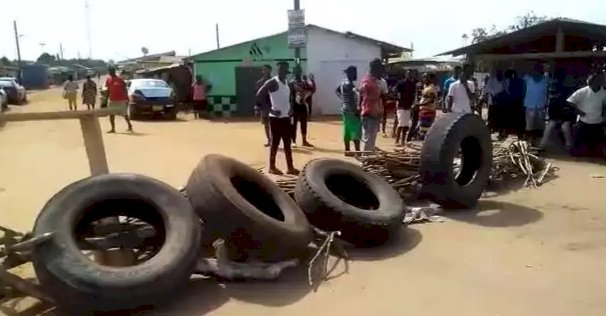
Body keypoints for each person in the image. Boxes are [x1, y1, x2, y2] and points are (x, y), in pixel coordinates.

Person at [256, 61, 299, 175]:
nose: (282, 72)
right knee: (275, 142)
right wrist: (270, 110)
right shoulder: (272, 82)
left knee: (287, 143)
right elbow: (259, 95)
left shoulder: (287, 83)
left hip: (286, 117)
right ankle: (272, 166)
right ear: (277, 70)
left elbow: (289, 98)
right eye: (280, 70)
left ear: (286, 71)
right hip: (275, 118)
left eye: (284, 70)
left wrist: (291, 109)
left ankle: (290, 167)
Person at [567, 73, 606, 157]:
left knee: (597, 146)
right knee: (576, 147)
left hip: (597, 122)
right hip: (584, 121)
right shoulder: (583, 91)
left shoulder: (603, 93)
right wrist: (578, 111)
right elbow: (570, 101)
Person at [539, 68, 575, 151]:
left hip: (565, 117)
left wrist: (563, 119)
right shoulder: (553, 97)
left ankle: (568, 145)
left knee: (565, 127)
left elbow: (569, 111)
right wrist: (556, 119)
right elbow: (552, 113)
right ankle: (542, 145)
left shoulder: (567, 94)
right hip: (555, 117)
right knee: (549, 126)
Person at [359, 58, 384, 152]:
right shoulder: (367, 80)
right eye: (379, 69)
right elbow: (362, 89)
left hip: (374, 113)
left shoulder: (375, 80)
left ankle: (368, 161)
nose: (380, 72)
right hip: (369, 113)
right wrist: (363, 88)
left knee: (372, 139)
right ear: (374, 69)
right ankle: (365, 162)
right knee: (368, 139)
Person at [336, 66, 361, 152]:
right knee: (356, 131)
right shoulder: (349, 84)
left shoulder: (343, 82)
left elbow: (337, 91)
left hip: (345, 109)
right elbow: (353, 100)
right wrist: (357, 111)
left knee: (347, 129)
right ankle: (358, 151)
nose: (356, 75)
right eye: (354, 73)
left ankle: (347, 150)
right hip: (352, 111)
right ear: (350, 73)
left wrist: (343, 99)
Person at [523, 63, 548, 146]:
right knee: (530, 125)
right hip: (531, 105)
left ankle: (537, 142)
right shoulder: (528, 79)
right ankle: (530, 141)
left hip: (540, 106)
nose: (536, 73)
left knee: (539, 125)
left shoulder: (545, 80)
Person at [290, 65, 313, 147]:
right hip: (294, 106)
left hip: (303, 105)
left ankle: (304, 141)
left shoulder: (304, 82)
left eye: (299, 71)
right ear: (294, 72)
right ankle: (294, 141)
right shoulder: (291, 83)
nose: (298, 73)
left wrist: (305, 96)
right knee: (294, 124)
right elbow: (289, 95)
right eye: (296, 71)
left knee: (304, 123)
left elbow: (311, 90)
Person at [105, 67, 133, 133]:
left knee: (124, 114)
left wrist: (126, 98)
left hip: (121, 100)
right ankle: (113, 129)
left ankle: (130, 126)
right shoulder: (108, 80)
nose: (110, 72)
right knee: (111, 114)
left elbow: (124, 89)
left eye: (111, 71)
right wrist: (106, 99)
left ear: (114, 71)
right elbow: (108, 90)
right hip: (112, 99)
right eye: (110, 71)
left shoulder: (120, 79)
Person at [395, 70, 416, 146]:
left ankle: (403, 141)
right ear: (405, 75)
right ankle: (397, 140)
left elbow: (413, 95)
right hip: (401, 106)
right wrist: (398, 100)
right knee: (400, 124)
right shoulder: (400, 83)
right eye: (408, 74)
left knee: (406, 125)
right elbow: (397, 93)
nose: (409, 75)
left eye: (410, 74)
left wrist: (413, 104)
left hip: (408, 106)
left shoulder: (413, 84)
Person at [255, 65, 273, 147]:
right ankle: (269, 140)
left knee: (273, 124)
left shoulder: (274, 81)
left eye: (266, 70)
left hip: (273, 105)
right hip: (264, 106)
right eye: (263, 70)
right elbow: (257, 95)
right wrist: (257, 106)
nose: (265, 71)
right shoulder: (259, 82)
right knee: (266, 124)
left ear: (270, 71)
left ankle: (274, 140)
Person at [417, 73, 438, 140]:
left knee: (425, 130)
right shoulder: (425, 86)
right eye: (423, 77)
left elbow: (431, 100)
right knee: (423, 128)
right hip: (423, 111)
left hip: (429, 111)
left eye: (426, 77)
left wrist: (419, 104)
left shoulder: (431, 88)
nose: (424, 79)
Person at [485, 70, 506, 138]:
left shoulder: (503, 81)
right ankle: (488, 132)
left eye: (501, 74)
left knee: (500, 118)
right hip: (492, 102)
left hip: (500, 102)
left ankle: (500, 132)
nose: (500, 76)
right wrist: (494, 94)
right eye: (499, 74)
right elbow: (487, 88)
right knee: (491, 117)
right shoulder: (492, 80)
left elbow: (505, 89)